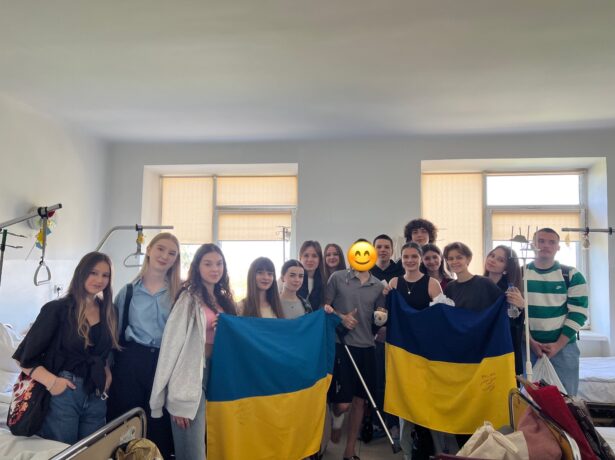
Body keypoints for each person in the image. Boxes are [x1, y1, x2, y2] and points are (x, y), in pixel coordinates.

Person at [13, 252, 120, 444]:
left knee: (92, 452)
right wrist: (53, 382)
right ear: (81, 273)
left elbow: (105, 352)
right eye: (93, 273)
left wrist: (107, 373)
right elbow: (24, 358)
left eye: (105, 275)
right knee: (63, 450)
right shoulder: (57, 310)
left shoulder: (110, 311)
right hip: (65, 392)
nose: (99, 280)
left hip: (97, 392)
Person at [150, 243, 236, 460]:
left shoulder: (225, 300)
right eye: (208, 264)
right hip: (191, 379)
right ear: (197, 267)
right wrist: (176, 398)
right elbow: (171, 347)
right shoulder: (188, 299)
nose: (215, 269)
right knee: (193, 453)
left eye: (219, 264)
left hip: (219, 377)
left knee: (217, 448)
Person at [107, 232, 181, 458]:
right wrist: (107, 369)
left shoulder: (179, 294)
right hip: (130, 362)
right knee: (125, 422)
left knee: (158, 424)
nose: (165, 256)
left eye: (172, 253)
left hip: (164, 363)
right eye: (161, 249)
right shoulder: (128, 292)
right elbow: (113, 335)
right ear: (149, 250)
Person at [324, 240, 386, 460]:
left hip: (367, 347)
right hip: (341, 345)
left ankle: (349, 450)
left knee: (360, 401)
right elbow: (325, 307)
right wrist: (341, 317)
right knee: (343, 404)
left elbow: (379, 315)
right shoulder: (337, 277)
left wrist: (382, 319)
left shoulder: (378, 285)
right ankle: (336, 417)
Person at [389, 242, 442, 460]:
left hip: (425, 351)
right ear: (401, 259)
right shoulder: (394, 282)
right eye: (406, 257)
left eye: (414, 256)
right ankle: (407, 451)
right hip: (401, 350)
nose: (410, 260)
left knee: (427, 399)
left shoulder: (433, 284)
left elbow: (440, 318)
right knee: (403, 399)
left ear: (420, 259)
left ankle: (434, 449)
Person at [526, 228, 588, 396]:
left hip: (564, 349)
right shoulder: (520, 274)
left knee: (566, 400)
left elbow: (579, 313)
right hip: (529, 349)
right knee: (528, 401)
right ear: (532, 245)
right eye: (541, 241)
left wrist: (558, 345)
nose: (546, 245)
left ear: (558, 247)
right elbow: (516, 315)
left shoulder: (572, 275)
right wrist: (530, 342)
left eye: (551, 242)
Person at [483, 245, 526, 376]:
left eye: (500, 260)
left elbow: (515, 324)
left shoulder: (510, 291)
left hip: (502, 348)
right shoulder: (476, 284)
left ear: (507, 269)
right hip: (480, 345)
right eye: (492, 255)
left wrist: (521, 307)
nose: (492, 260)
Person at [443, 242, 502, 311]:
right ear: (447, 261)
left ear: (468, 259)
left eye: (459, 258)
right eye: (451, 259)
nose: (454, 261)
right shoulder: (449, 287)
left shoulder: (485, 283)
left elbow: (502, 307)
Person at [297, 241, 326, 310]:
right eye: (306, 255)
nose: (310, 260)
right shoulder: (288, 279)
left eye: (314, 256)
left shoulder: (324, 281)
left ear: (319, 260)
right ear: (300, 258)